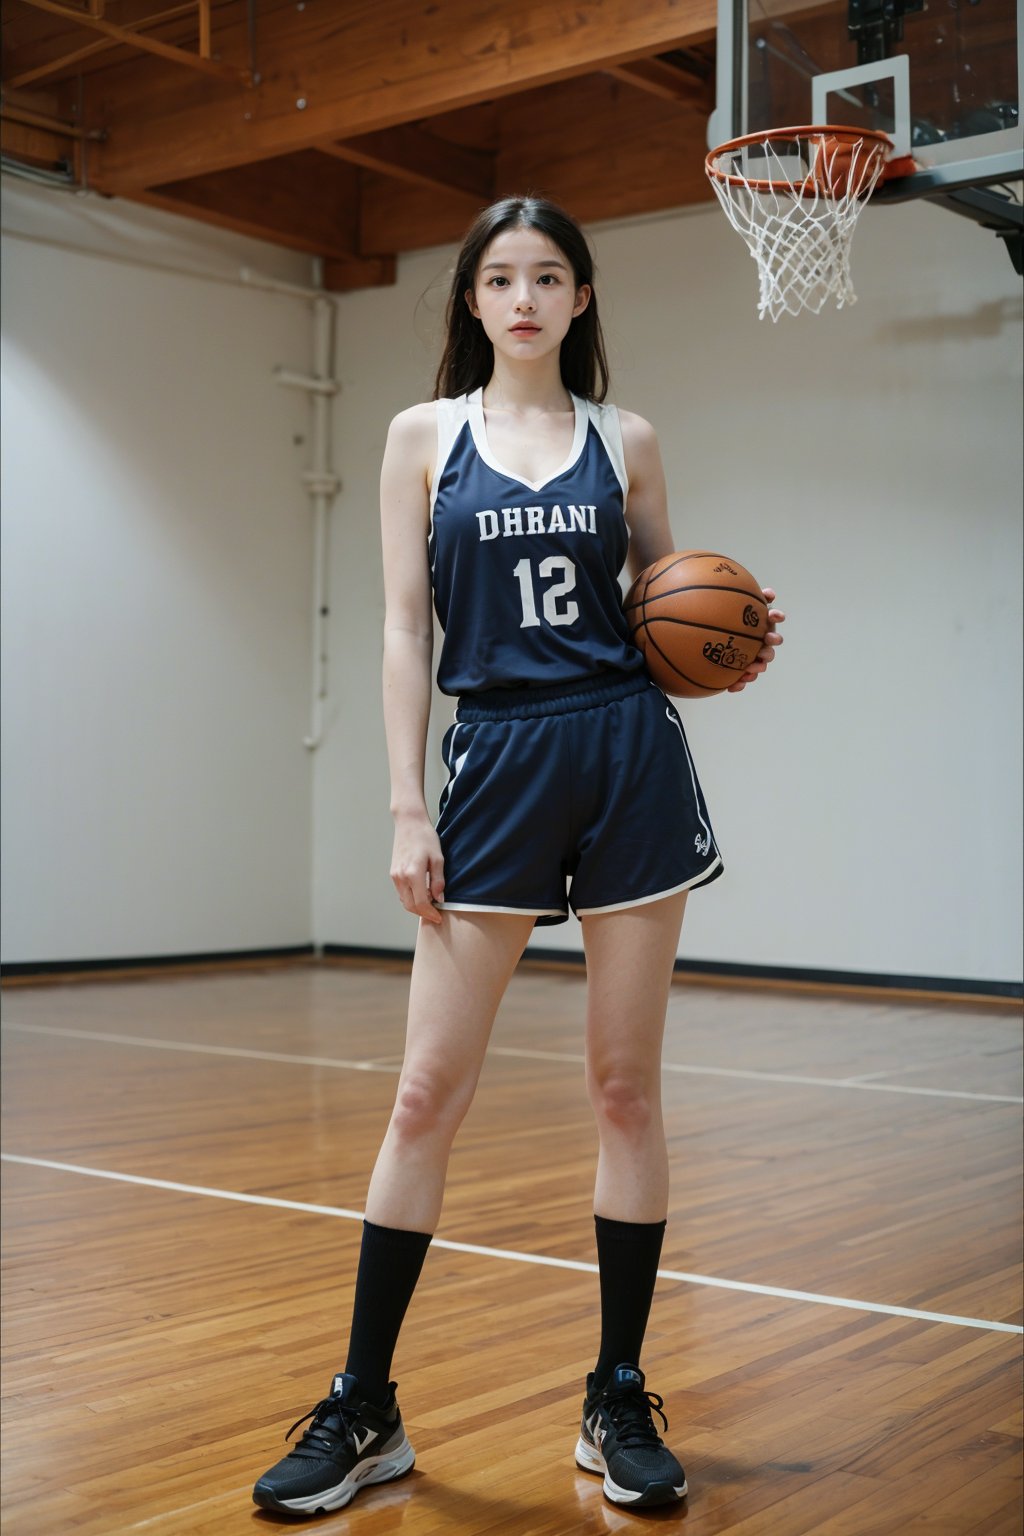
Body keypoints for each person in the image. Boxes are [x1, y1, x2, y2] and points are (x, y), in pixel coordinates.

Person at [253, 195, 784, 1519]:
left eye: (550, 276)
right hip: (492, 761)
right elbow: (399, 633)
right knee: (425, 1094)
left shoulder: (630, 440)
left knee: (624, 1091)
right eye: (503, 278)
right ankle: (363, 1407)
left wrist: (734, 636)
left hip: (624, 758)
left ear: (581, 297)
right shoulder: (421, 438)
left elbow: (668, 608)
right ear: (473, 303)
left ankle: (616, 1392)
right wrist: (401, 805)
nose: (527, 297)